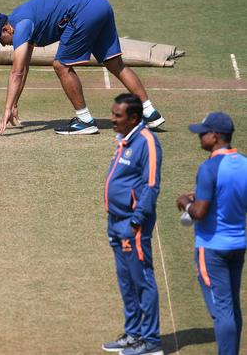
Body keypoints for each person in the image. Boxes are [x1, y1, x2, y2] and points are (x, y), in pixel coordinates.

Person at [0, 0, 165, 136]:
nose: (4, 45)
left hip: (83, 13)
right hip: (100, 5)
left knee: (61, 65)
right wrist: (15, 102)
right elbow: (23, 68)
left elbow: (16, 72)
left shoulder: (21, 26)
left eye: (2, 40)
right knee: (115, 64)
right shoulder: (23, 21)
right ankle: (150, 113)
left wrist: (7, 108)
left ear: (6, 29)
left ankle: (85, 120)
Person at [176, 112, 247, 355]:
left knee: (221, 311)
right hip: (238, 245)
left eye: (203, 133)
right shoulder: (244, 164)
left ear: (215, 136)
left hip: (212, 248)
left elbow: (199, 212)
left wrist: (185, 202)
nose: (200, 137)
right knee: (232, 309)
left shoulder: (208, 168)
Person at [103, 94, 163, 355]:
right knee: (126, 280)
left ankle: (151, 343)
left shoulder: (147, 142)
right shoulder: (124, 138)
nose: (112, 119)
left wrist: (137, 220)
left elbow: (151, 186)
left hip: (133, 224)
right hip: (115, 221)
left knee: (142, 280)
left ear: (134, 118)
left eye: (118, 116)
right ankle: (133, 334)